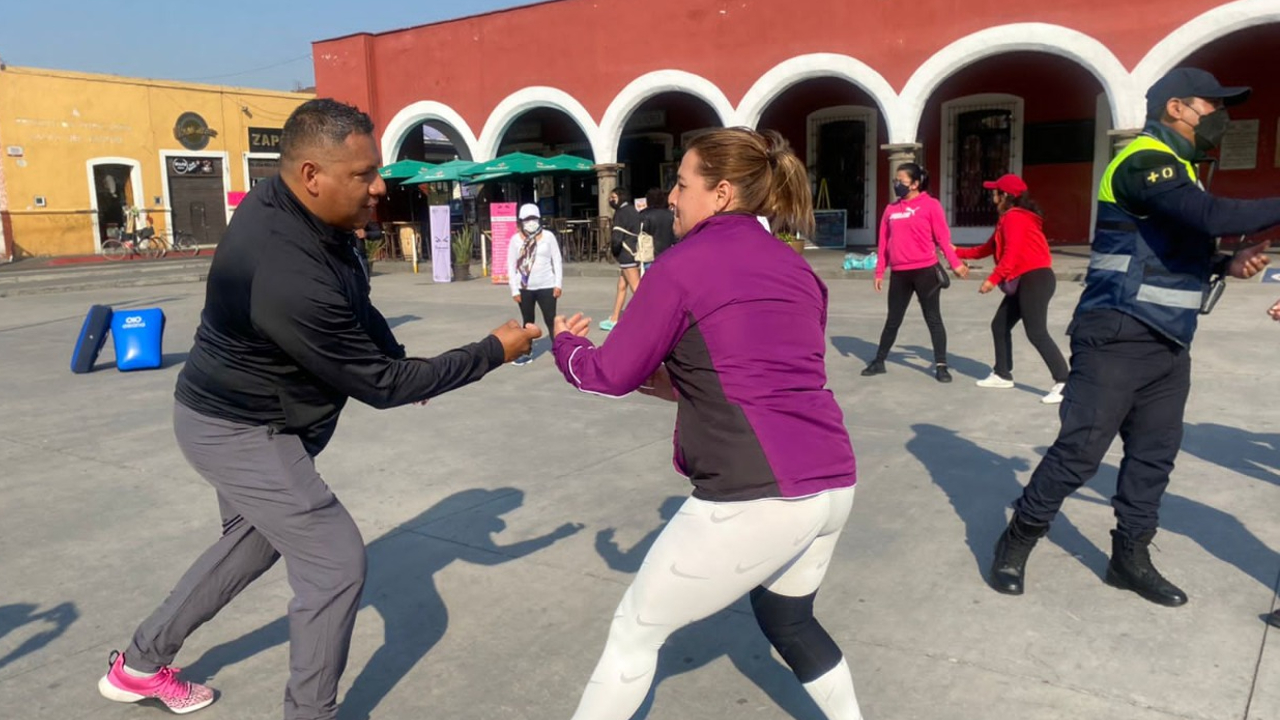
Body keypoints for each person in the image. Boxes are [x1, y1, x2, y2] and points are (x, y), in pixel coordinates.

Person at [96, 99, 540, 719]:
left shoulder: (304, 214)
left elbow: (357, 306)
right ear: (311, 175)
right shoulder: (285, 269)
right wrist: (491, 351)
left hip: (247, 416)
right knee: (334, 562)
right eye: (363, 174)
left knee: (253, 543)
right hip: (238, 428)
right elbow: (381, 386)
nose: (379, 187)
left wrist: (403, 362)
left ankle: (139, 665)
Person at [552, 127, 863, 720]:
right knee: (790, 621)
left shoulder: (682, 265)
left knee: (633, 633)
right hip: (833, 480)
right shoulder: (798, 269)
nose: (671, 197)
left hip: (757, 492)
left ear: (721, 194)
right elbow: (763, 373)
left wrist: (566, 346)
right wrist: (677, 383)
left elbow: (608, 375)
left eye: (681, 183)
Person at [989, 68, 1279, 607]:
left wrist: (1225, 263)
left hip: (1169, 342)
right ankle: (1018, 539)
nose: (1221, 117)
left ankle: (1129, 557)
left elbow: (1169, 249)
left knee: (1153, 457)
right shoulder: (1144, 160)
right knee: (1079, 453)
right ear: (1176, 108)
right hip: (1116, 334)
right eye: (1212, 106)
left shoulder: (1182, 172)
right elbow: (1209, 216)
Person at [956, 173, 1070, 404]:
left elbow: (1012, 254)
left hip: (1034, 278)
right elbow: (987, 248)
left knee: (1036, 332)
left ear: (1005, 195)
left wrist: (992, 280)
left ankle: (1064, 381)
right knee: (999, 325)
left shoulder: (1015, 218)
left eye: (995, 192)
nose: (992, 196)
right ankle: (1002, 374)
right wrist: (955, 250)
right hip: (1026, 279)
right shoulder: (1008, 218)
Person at [863, 162, 968, 382]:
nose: (896, 184)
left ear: (915, 184)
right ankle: (879, 361)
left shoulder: (931, 205)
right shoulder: (891, 210)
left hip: (925, 272)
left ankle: (941, 366)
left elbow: (943, 239)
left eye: (901, 180)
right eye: (895, 180)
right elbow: (883, 243)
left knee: (933, 318)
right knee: (893, 319)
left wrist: (955, 263)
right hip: (900, 274)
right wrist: (879, 271)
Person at [507, 203, 563, 365]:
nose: (531, 222)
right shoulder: (515, 240)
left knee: (551, 320)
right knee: (528, 321)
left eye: (534, 219)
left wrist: (558, 284)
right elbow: (511, 265)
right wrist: (514, 290)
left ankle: (560, 352)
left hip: (547, 285)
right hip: (525, 287)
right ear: (521, 221)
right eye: (527, 219)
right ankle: (526, 352)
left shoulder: (548, 237)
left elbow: (557, 260)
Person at [599, 187, 642, 331]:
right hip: (633, 250)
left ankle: (650, 317)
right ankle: (615, 317)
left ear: (621, 197)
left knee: (636, 287)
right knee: (621, 286)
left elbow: (617, 237)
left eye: (613, 197)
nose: (611, 200)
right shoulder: (633, 210)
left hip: (626, 252)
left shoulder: (621, 213)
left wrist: (614, 251)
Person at [638, 186, 678, 261]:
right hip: (668, 253)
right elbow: (676, 235)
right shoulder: (671, 215)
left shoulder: (644, 215)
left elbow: (641, 233)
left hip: (649, 255)